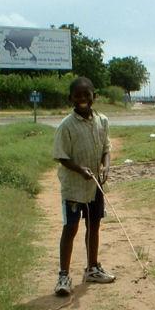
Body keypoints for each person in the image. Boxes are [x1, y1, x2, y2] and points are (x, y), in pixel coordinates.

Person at [52, 76, 115, 295]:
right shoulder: (66, 126)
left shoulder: (103, 121)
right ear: (70, 98)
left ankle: (92, 268)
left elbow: (106, 149)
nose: (82, 99)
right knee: (70, 228)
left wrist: (105, 167)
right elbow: (61, 156)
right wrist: (80, 169)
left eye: (86, 94)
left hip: (94, 186)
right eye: (77, 95)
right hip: (73, 188)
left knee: (94, 226)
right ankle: (63, 276)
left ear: (94, 97)